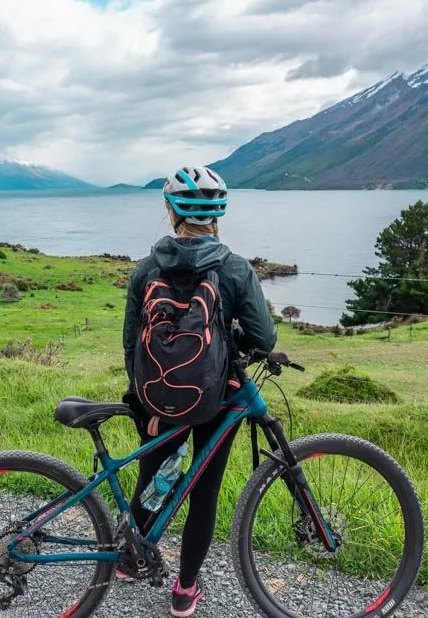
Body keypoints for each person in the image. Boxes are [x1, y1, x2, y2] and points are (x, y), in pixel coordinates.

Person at [121, 165, 276, 617]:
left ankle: (132, 559)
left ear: (171, 210)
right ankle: (185, 591)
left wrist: (141, 399)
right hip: (218, 397)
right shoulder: (235, 269)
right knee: (203, 493)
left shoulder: (146, 269)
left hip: (157, 398)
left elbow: (132, 343)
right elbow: (264, 340)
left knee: (152, 478)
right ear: (218, 214)